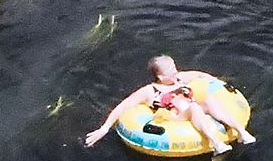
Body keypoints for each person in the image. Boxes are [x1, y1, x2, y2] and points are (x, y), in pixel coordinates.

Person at [84, 55, 256, 154]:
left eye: (174, 68)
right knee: (194, 107)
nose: (174, 72)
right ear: (159, 76)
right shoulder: (150, 91)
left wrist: (216, 81)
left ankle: (242, 133)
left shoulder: (180, 78)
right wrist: (105, 128)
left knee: (208, 100)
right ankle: (216, 143)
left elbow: (198, 74)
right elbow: (124, 105)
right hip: (173, 117)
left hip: (190, 108)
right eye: (169, 71)